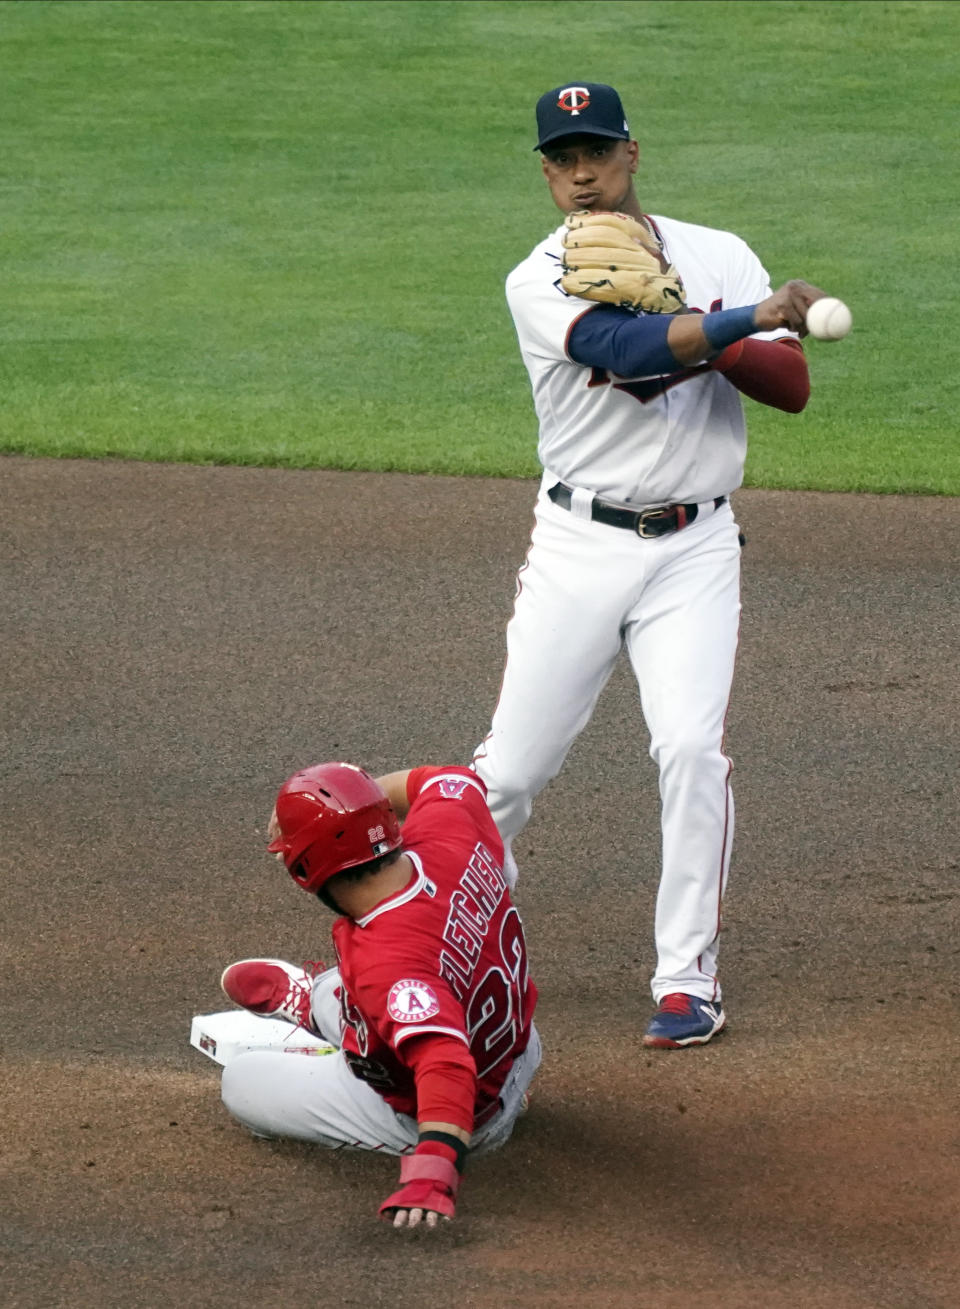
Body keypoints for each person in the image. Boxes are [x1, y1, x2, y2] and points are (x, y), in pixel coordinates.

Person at [472, 82, 825, 1049]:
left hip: (696, 548)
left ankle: (687, 979)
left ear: (633, 154)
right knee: (509, 773)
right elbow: (626, 352)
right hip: (579, 546)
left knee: (690, 750)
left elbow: (789, 385)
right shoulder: (538, 277)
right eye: (561, 159)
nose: (581, 173)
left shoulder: (718, 252)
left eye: (597, 151)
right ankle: (446, 952)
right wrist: (730, 320)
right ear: (545, 175)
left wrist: (706, 314)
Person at [217, 761, 540, 1230]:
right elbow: (448, 779)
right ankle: (316, 1001)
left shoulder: (388, 963)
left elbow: (445, 1065)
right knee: (379, 992)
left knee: (242, 1081)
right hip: (517, 1047)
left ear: (305, 869)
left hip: (458, 1111)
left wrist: (433, 1173)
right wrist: (358, 800)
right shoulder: (449, 832)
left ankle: (325, 1007)